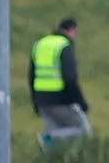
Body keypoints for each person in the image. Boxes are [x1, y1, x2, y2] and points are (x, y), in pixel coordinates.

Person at [29, 17, 90, 152]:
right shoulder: (64, 46)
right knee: (83, 130)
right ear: (72, 30)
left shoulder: (40, 44)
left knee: (56, 139)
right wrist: (80, 102)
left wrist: (34, 101)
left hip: (41, 99)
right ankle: (49, 138)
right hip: (61, 99)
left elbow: (31, 76)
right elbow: (69, 78)